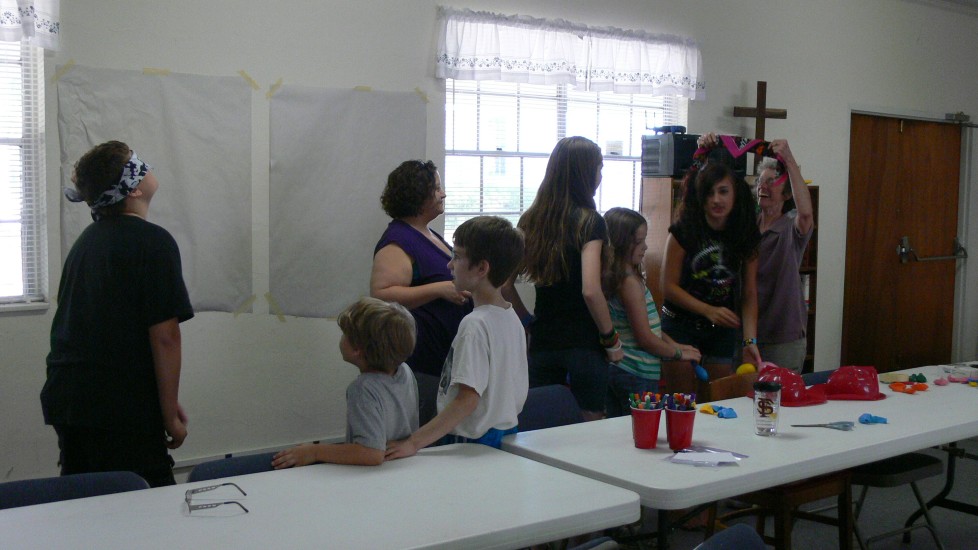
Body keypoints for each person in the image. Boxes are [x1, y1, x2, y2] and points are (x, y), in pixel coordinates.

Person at [40, 141, 194, 487]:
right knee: (146, 499)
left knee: (87, 498)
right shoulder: (153, 242)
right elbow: (166, 338)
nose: (148, 165)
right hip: (117, 405)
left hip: (71, 400)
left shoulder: (87, 242)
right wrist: (169, 417)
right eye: (140, 163)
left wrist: (164, 402)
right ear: (134, 187)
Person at [385, 216, 527, 457]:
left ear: (481, 268)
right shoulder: (511, 317)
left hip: (470, 441)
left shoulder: (474, 325)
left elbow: (467, 400)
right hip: (503, 434)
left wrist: (414, 442)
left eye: (457, 257)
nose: (450, 264)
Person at [510, 136, 624, 421]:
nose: (600, 176)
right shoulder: (590, 222)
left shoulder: (531, 220)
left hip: (543, 342)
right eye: (599, 168)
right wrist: (611, 339)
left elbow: (504, 284)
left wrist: (527, 321)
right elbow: (590, 290)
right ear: (585, 173)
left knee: (543, 424)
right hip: (584, 345)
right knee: (589, 426)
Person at [370, 160, 471, 425]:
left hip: (444, 360)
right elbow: (382, 295)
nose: (443, 194)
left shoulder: (427, 233)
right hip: (423, 361)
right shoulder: (398, 240)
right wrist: (439, 289)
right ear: (417, 195)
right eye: (436, 188)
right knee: (425, 430)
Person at [272, 297, 419, 467]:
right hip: (403, 467)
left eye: (345, 334)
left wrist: (314, 452)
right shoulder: (404, 371)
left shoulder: (363, 389)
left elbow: (371, 453)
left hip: (372, 475)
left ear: (357, 349)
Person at [660, 161, 762, 380]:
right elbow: (668, 287)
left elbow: (749, 293)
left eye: (723, 191)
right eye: (709, 193)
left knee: (718, 395)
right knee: (682, 397)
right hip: (680, 324)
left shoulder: (745, 232)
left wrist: (749, 341)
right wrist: (707, 310)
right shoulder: (684, 229)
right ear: (701, 197)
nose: (716, 199)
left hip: (721, 329)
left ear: (735, 193)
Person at [603, 207, 701, 417]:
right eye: (639, 242)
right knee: (640, 430)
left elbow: (651, 327)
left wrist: (675, 345)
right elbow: (645, 338)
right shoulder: (629, 283)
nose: (645, 247)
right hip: (635, 373)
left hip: (626, 372)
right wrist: (677, 354)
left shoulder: (623, 278)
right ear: (622, 244)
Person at [754, 141, 814, 372]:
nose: (763, 186)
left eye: (771, 182)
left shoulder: (790, 227)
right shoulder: (748, 226)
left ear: (787, 193)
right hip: (749, 335)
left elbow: (806, 214)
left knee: (783, 393)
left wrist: (788, 158)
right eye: (761, 181)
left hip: (783, 338)